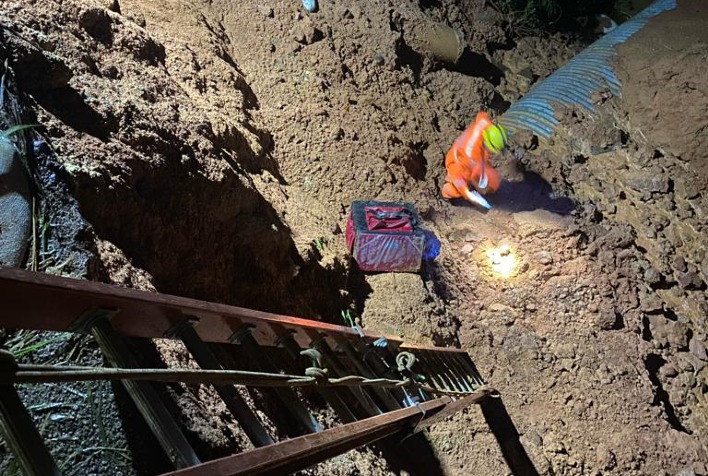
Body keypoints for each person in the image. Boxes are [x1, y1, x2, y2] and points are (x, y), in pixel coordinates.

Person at [442, 111, 508, 209]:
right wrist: (468, 194)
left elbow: (482, 115)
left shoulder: (485, 126)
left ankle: (480, 185)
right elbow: (457, 176)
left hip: (469, 158)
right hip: (455, 162)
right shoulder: (470, 156)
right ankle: (444, 196)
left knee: (492, 179)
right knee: (455, 189)